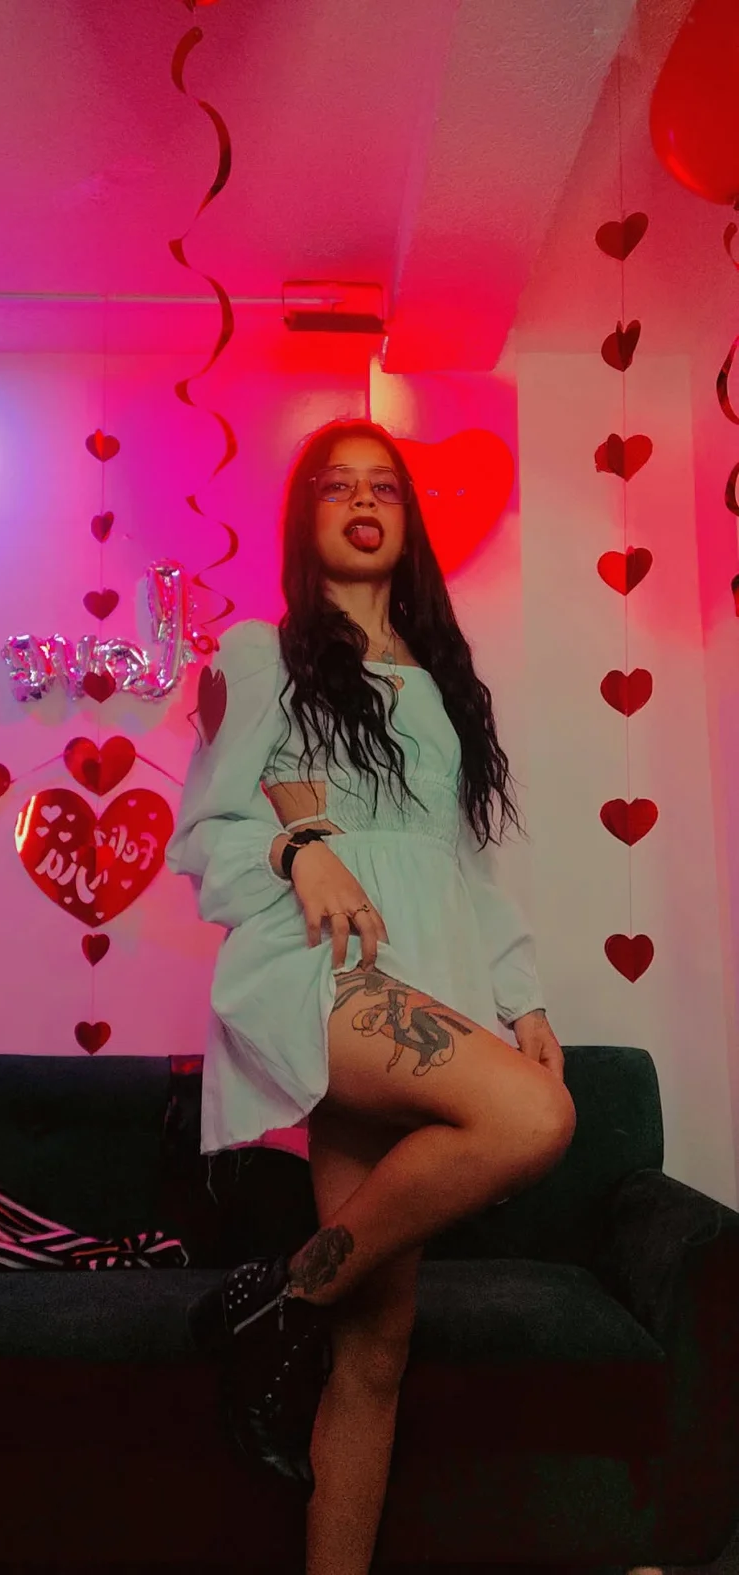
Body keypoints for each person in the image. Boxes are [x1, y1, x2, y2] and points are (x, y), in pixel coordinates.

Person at [165, 418, 576, 1575]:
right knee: (532, 1119)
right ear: (304, 521)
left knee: (377, 1350)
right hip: (320, 967)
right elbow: (206, 831)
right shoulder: (262, 654)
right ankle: (278, 1307)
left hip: (433, 972)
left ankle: (279, 1334)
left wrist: (522, 999)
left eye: (382, 487)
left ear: (407, 519)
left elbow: (460, 866)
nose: (360, 500)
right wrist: (302, 848)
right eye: (335, 485)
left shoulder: (441, 685)